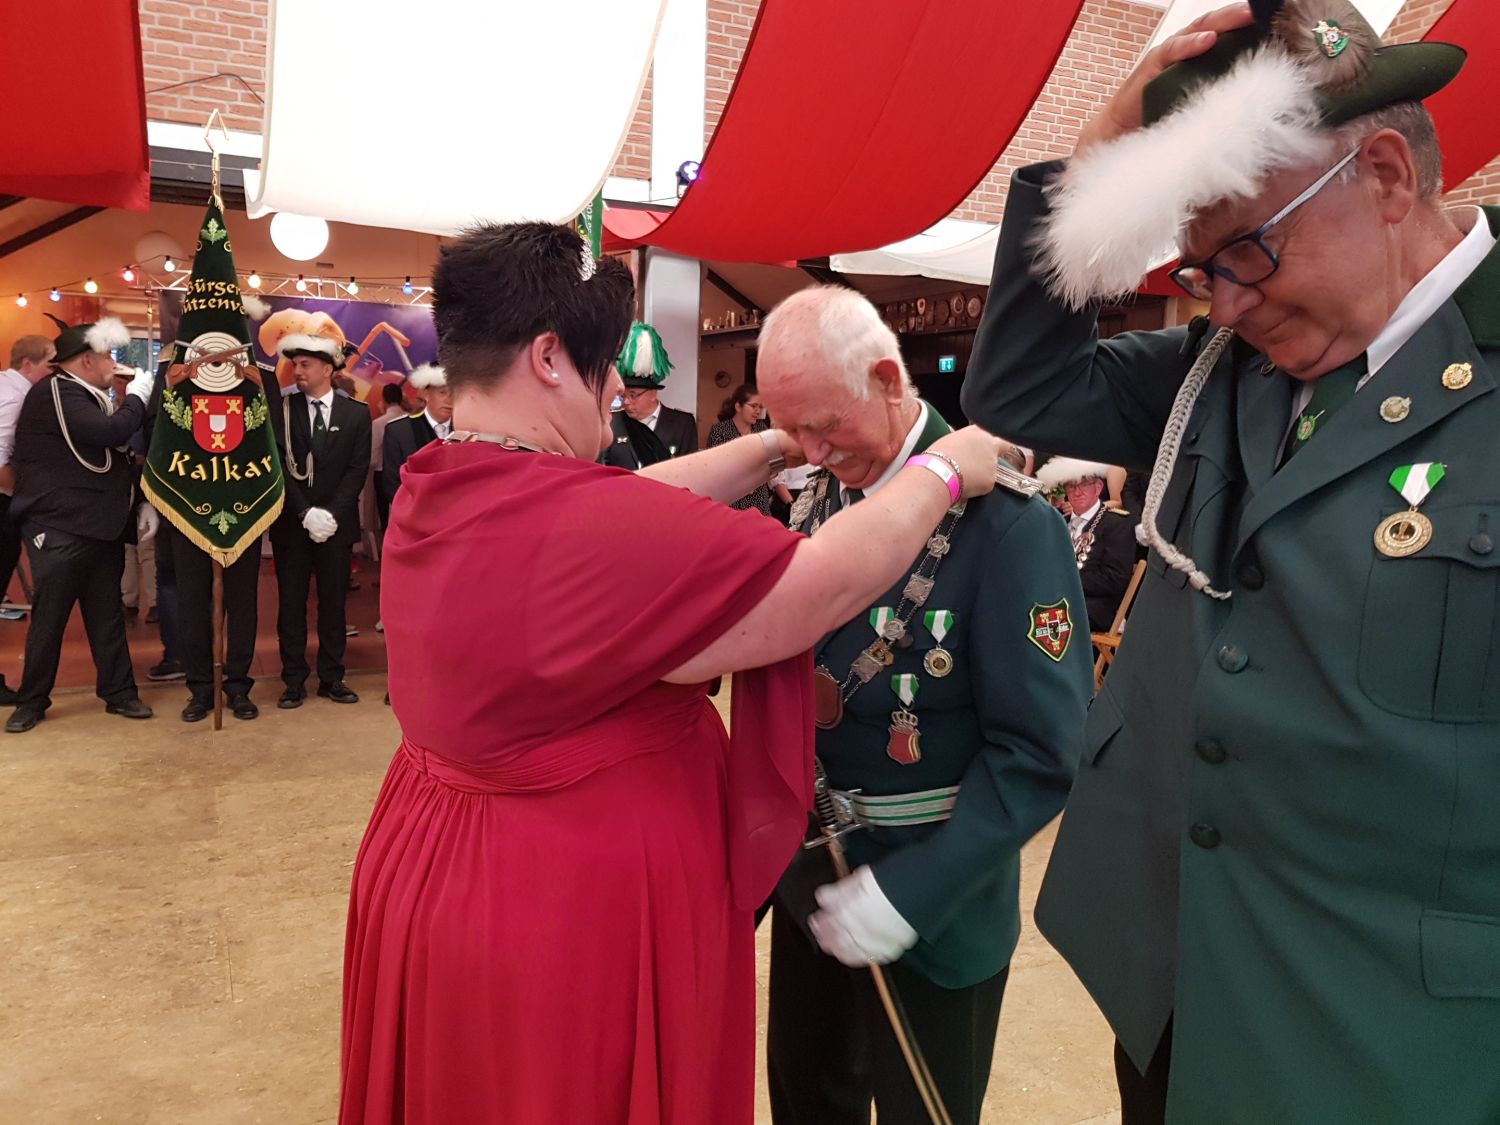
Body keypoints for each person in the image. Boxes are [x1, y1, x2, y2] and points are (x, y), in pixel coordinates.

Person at [338, 221, 1004, 1125]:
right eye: (606, 366)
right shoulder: (573, 530)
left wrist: (776, 445)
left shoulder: (444, 478)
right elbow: (818, 583)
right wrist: (943, 470)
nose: (618, 389)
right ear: (548, 357)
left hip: (444, 869)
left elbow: (630, 503)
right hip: (562, 911)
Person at [963, 3, 1497, 1121]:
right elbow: (1018, 388)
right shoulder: (1221, 367)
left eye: (1249, 250)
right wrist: (1092, 161)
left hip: (1384, 1028)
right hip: (1169, 966)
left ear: (1386, 175)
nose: (1229, 302)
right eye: (1205, 270)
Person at [755, 286, 1091, 1125]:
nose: (813, 450)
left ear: (884, 378)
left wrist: (912, 891)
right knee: (806, 1102)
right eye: (794, 431)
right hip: (811, 883)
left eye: (824, 425)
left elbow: (1042, 751)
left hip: (937, 895)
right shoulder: (820, 493)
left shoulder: (1008, 525)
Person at [7, 320, 157, 733]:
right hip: (60, 526)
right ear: (88, 360)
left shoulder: (87, 395)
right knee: (50, 619)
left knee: (107, 615)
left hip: (100, 526)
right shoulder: (58, 391)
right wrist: (138, 397)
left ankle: (119, 692)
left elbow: (113, 460)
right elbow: (109, 433)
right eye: (109, 355)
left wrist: (140, 503)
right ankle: (32, 700)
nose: (114, 363)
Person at [268, 333, 371, 708]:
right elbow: (277, 465)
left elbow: (357, 470)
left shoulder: (356, 413)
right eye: (295, 364)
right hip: (292, 524)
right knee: (291, 605)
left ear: (328, 369)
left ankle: (332, 677)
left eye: (305, 364)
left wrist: (330, 514)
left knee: (334, 605)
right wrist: (305, 512)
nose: (297, 370)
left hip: (336, 526)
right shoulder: (281, 410)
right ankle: (293, 680)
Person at [1036, 457, 1138, 632]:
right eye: (1072, 486)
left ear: (1098, 488)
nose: (1077, 492)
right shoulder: (1058, 522)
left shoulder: (1116, 523)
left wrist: (1065, 580)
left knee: (1041, 616)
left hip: (1094, 607)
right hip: (1055, 600)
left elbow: (1115, 579)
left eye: (1084, 485)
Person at [0, 335, 56, 633]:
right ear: (27, 364)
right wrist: (22, 496)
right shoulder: (17, 398)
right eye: (50, 365)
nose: (54, 373)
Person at [602, 321, 698, 468]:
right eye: (623, 395)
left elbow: (689, 468)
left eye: (633, 395)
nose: (626, 402)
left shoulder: (682, 424)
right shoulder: (612, 423)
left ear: (653, 393)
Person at [706, 383, 792, 515]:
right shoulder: (720, 431)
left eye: (760, 407)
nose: (758, 411)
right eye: (753, 406)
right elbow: (715, 469)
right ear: (738, 406)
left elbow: (776, 465)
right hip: (731, 499)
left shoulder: (762, 429)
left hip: (759, 501)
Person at [377, 363, 450, 515]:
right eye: (443, 392)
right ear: (426, 394)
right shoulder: (399, 430)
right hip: (414, 516)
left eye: (455, 393)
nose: (449, 400)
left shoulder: (468, 431)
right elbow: (391, 483)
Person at [368, 382, 407, 532]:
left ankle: (386, 539)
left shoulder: (378, 423)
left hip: (382, 472)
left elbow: (373, 455)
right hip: (407, 471)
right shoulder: (411, 419)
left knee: (384, 514)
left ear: (383, 399)